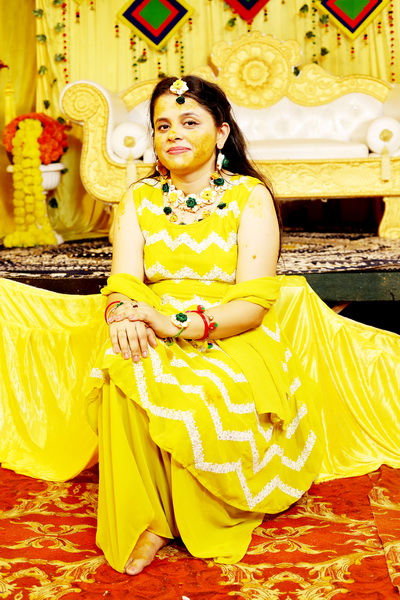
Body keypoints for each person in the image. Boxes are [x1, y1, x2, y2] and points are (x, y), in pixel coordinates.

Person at [0, 76, 399, 577]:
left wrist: (173, 323)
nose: (174, 134)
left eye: (190, 122)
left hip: (228, 331)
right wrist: (124, 313)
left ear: (222, 132)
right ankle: (147, 519)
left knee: (202, 391)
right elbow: (124, 279)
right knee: (124, 366)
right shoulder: (138, 199)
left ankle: (194, 511)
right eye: (163, 125)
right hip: (149, 315)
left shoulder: (250, 197)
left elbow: (252, 304)